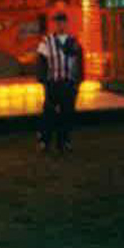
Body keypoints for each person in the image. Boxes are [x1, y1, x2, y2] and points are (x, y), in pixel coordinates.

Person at [36, 10, 84, 153]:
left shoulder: (74, 42)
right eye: (57, 22)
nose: (60, 25)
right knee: (49, 113)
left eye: (62, 22)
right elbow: (41, 62)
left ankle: (64, 141)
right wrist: (43, 80)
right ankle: (45, 141)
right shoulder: (46, 41)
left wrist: (78, 81)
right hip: (53, 82)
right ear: (54, 24)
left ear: (66, 24)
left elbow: (79, 62)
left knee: (67, 113)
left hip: (68, 82)